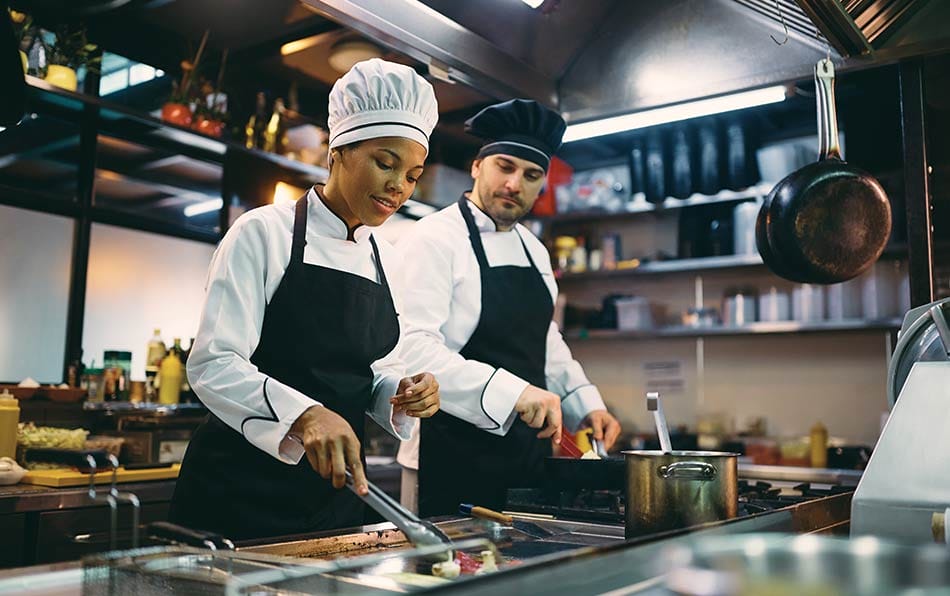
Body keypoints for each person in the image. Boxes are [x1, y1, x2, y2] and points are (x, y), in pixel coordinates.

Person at [170, 59, 441, 540]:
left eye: (413, 174)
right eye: (386, 163)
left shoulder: (388, 259)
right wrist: (306, 414)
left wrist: (399, 392)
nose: (399, 186)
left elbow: (366, 369)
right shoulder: (263, 232)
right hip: (237, 491)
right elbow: (214, 363)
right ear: (339, 150)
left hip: (330, 497)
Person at [395, 99, 623, 516]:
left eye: (532, 175)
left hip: (524, 458)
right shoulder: (433, 238)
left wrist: (584, 402)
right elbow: (412, 349)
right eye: (505, 166)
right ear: (477, 166)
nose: (515, 184)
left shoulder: (534, 250)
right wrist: (513, 392)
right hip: (447, 454)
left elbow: (544, 338)